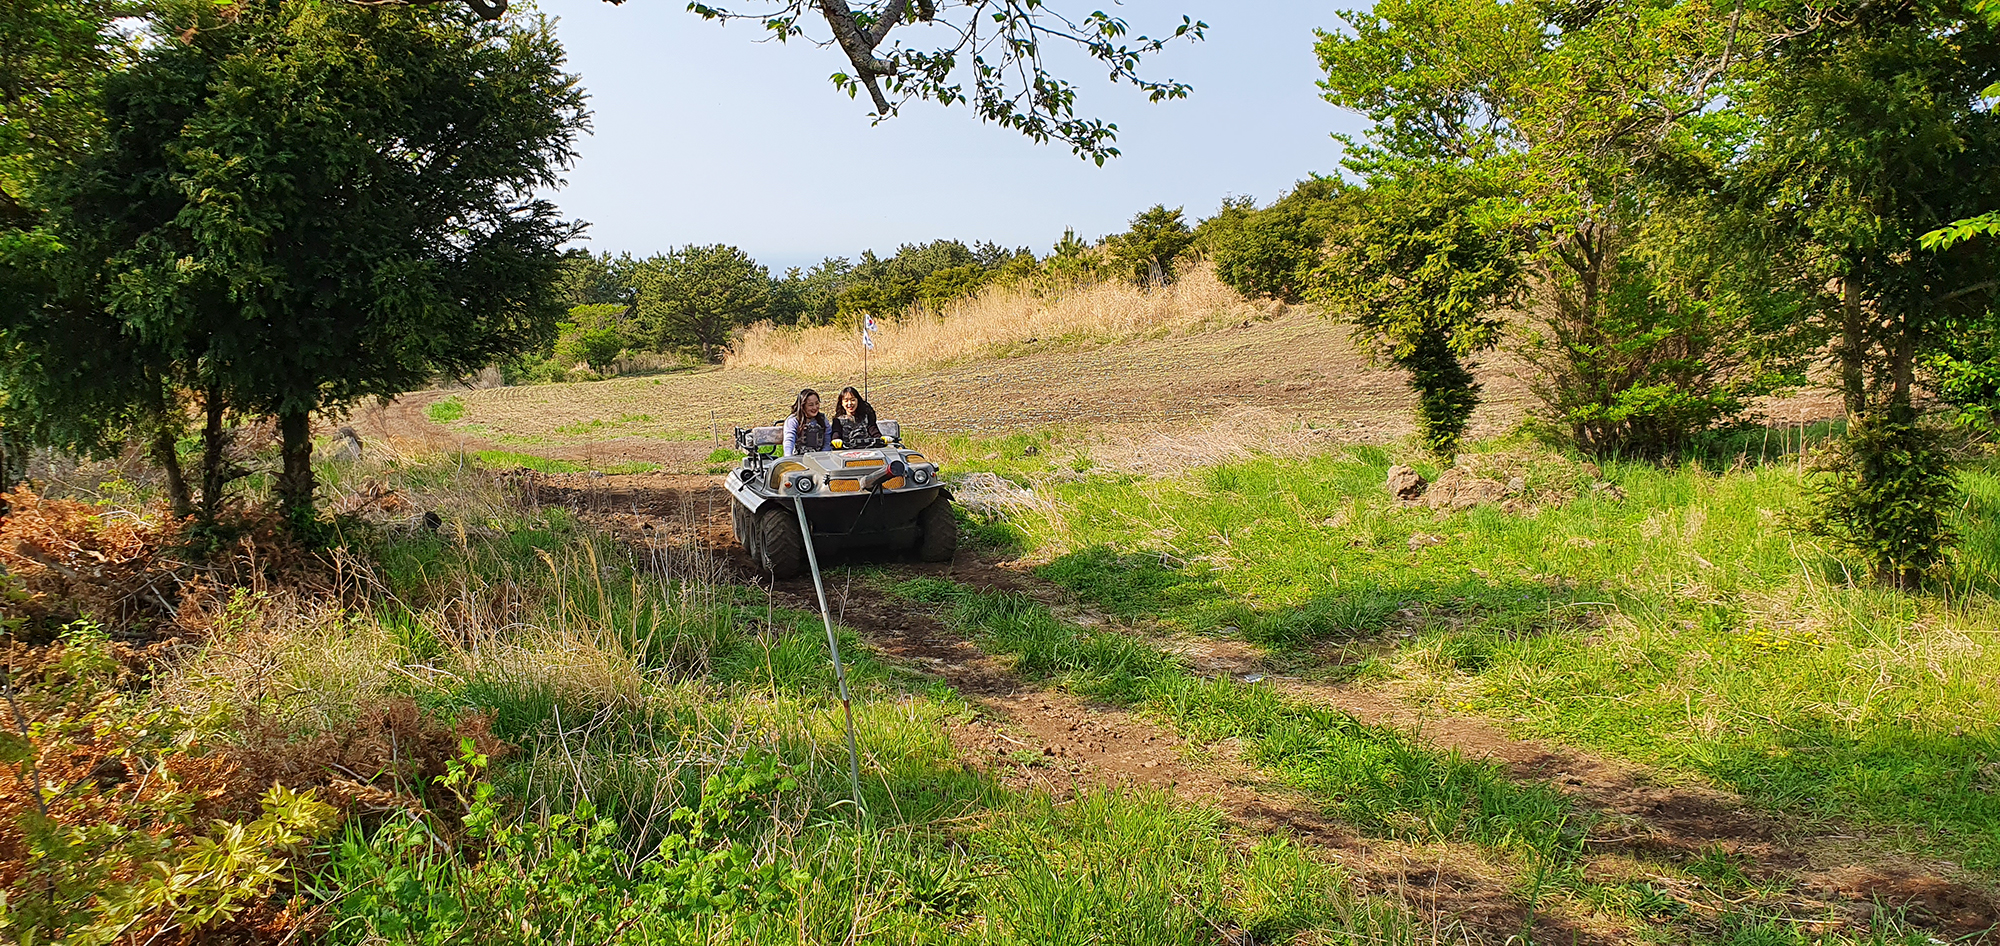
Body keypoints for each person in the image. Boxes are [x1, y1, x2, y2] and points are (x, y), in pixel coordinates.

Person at [782, 388, 831, 456]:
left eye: (817, 403)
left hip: (820, 458)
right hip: (798, 459)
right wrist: (788, 457)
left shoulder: (822, 419)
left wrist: (823, 455)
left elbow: (827, 440)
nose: (815, 407)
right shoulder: (793, 420)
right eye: (811, 405)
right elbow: (789, 440)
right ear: (802, 406)